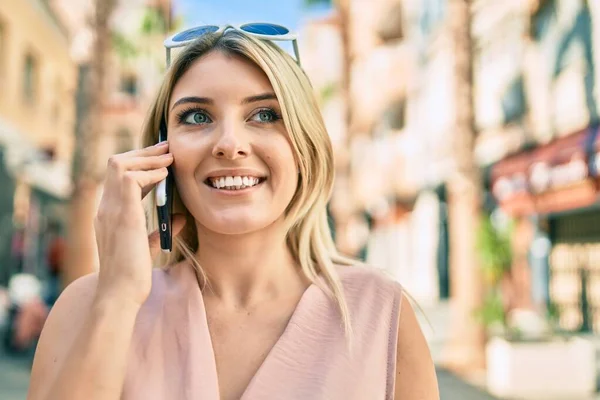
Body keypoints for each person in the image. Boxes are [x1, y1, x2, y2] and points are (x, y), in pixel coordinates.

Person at [27, 26, 439, 400]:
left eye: (264, 115)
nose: (229, 144)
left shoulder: (381, 314)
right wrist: (117, 298)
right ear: (158, 154)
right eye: (197, 116)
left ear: (305, 148)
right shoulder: (88, 306)